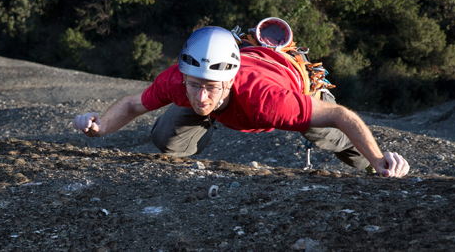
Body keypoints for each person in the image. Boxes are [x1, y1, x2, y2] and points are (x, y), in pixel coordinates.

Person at [72, 26, 410, 177]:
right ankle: (211, 122)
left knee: (332, 139)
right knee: (165, 140)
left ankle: (371, 168)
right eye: (194, 86)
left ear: (229, 80)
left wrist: (379, 158)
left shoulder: (270, 101)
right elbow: (132, 105)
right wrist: (99, 127)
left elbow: (339, 115)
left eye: (211, 88)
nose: (200, 97)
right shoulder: (178, 79)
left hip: (288, 88)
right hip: (235, 100)